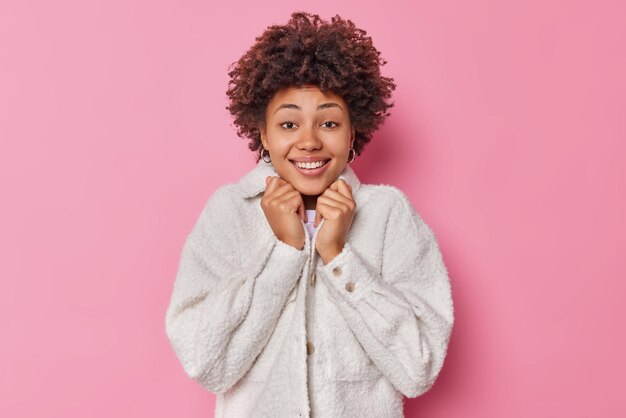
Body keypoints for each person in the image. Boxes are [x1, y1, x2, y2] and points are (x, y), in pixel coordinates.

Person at [165, 11, 454, 418]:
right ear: (263, 134)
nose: (309, 141)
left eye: (329, 122)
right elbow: (206, 362)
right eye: (288, 123)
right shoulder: (229, 212)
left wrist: (338, 258)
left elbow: (418, 368)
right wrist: (285, 253)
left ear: (353, 133)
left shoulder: (390, 215)